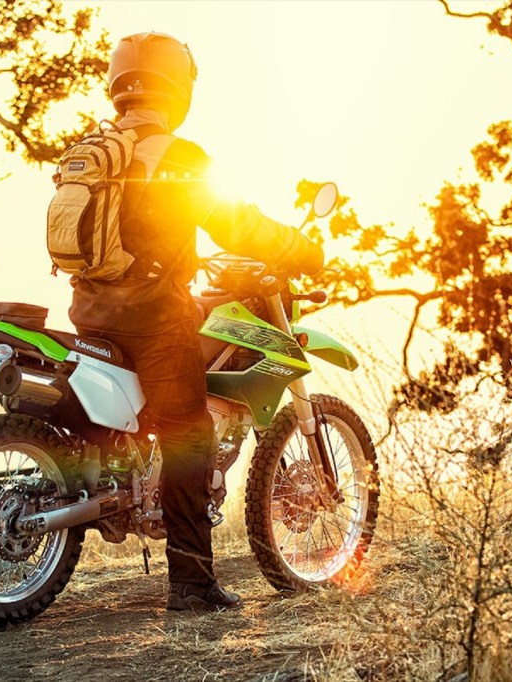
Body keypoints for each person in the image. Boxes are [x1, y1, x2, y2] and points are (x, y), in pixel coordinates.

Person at [68, 32, 324, 612]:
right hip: (153, 317)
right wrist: (301, 247)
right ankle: (191, 583)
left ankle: (129, 485)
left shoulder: (93, 149)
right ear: (177, 84)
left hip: (89, 309)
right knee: (188, 432)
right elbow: (238, 225)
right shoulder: (173, 153)